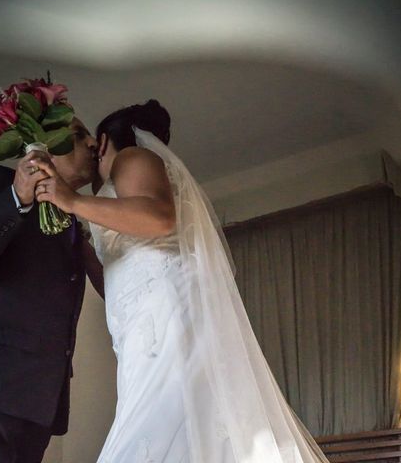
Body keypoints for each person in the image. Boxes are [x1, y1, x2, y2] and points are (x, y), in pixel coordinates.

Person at [34, 100, 329, 462]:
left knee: (158, 420)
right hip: (135, 326)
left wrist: (73, 201)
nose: (92, 149)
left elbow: (158, 219)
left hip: (166, 308)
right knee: (176, 421)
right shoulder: (107, 202)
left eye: (92, 140)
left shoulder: (131, 157)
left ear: (107, 140)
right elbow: (111, 283)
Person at [0, 118, 100, 463]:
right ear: (46, 148)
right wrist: (17, 197)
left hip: (40, 398)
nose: (93, 144)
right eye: (79, 136)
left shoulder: (70, 222)